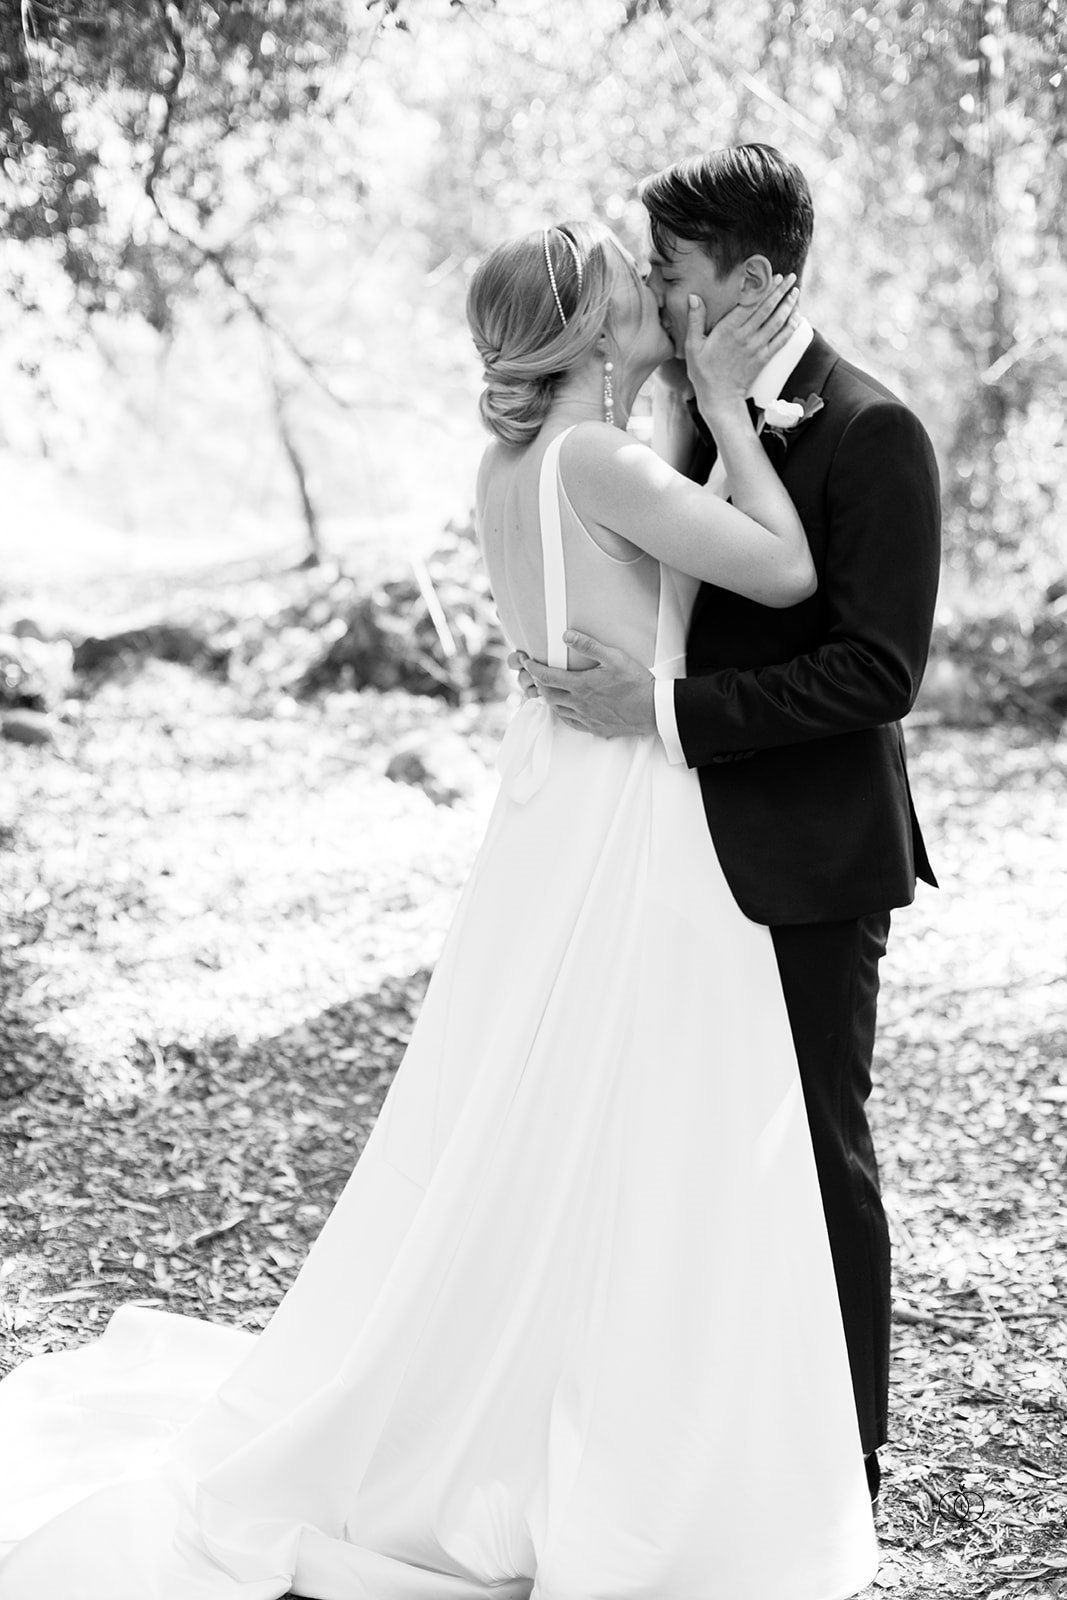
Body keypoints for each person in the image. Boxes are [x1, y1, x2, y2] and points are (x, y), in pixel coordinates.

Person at [0, 217, 878, 1600]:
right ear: (587, 334)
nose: (652, 300)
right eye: (626, 290)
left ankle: (534, 1391)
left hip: (549, 802)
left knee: (541, 1104)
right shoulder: (598, 462)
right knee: (634, 1111)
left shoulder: (509, 464)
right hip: (628, 812)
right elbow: (784, 571)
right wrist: (723, 407)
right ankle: (617, 1432)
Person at [519, 146, 942, 1508]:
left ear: (752, 278)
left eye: (672, 270)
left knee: (816, 1154)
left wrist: (659, 710)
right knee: (687, 1158)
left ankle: (848, 1459)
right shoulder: (693, 420)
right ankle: (719, 1440)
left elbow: (879, 672)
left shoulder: (874, 431)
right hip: (672, 850)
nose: (655, 293)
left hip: (809, 856)